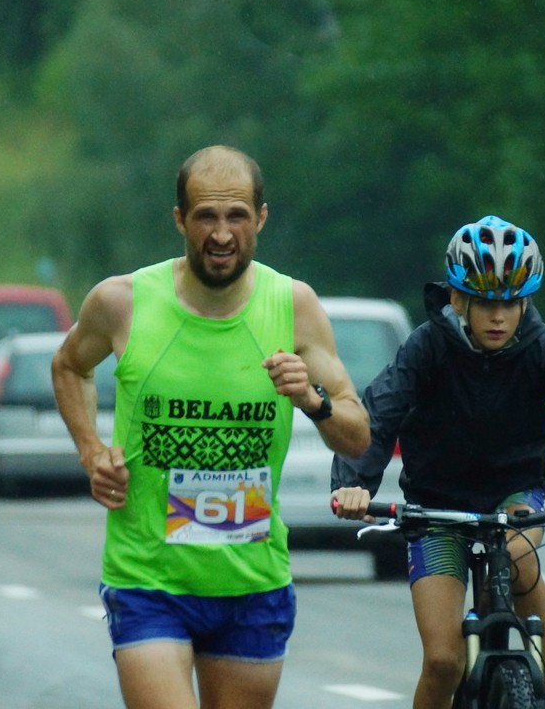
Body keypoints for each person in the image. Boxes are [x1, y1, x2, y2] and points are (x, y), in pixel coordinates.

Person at [51, 144, 370, 709]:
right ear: (180, 220)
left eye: (236, 216)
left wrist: (312, 400)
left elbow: (357, 434)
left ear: (261, 219)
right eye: (206, 216)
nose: (221, 235)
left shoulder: (292, 305)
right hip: (148, 577)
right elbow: (69, 365)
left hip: (251, 582)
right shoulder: (122, 302)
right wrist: (91, 452)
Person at [331, 215, 545, 709]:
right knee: (444, 661)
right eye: (485, 302)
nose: (498, 317)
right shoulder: (427, 347)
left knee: (521, 557)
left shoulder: (542, 348)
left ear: (526, 301)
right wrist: (354, 484)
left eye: (510, 302)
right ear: (458, 298)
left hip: (516, 492)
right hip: (435, 507)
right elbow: (379, 414)